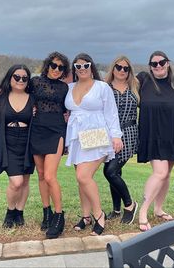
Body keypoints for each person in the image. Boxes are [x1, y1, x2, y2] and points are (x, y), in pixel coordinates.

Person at [65, 53, 123, 236]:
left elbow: (111, 113)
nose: (82, 69)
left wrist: (116, 136)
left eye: (85, 65)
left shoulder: (102, 87)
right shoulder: (69, 87)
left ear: (92, 67)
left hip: (96, 134)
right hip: (76, 136)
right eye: (78, 66)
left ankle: (99, 215)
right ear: (74, 69)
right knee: (80, 178)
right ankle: (85, 216)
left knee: (84, 176)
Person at [137, 51, 174, 231]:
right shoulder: (143, 80)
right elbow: (122, 87)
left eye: (161, 62)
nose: (158, 66)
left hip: (172, 135)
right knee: (160, 173)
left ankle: (158, 209)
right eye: (154, 63)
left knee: (166, 175)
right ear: (150, 66)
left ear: (168, 63)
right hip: (152, 135)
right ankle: (143, 212)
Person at [29, 51, 70, 239]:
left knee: (51, 175)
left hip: (56, 131)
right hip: (37, 130)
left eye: (61, 67)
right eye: (54, 65)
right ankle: (46, 213)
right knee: (41, 175)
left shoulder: (65, 88)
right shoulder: (35, 82)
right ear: (47, 65)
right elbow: (17, 90)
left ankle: (59, 215)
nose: (56, 69)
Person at [0, 65, 35, 228]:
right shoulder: (0, 97)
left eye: (24, 78)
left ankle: (19, 212)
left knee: (25, 181)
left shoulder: (33, 99)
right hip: (8, 142)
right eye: (17, 77)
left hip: (27, 143)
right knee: (16, 182)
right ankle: (10, 211)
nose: (20, 80)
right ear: (10, 78)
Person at [104, 56, 139, 224]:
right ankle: (116, 209)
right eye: (119, 67)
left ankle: (130, 204)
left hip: (129, 132)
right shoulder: (105, 88)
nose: (122, 71)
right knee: (115, 172)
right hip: (110, 134)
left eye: (126, 68)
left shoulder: (135, 86)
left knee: (110, 171)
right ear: (113, 68)